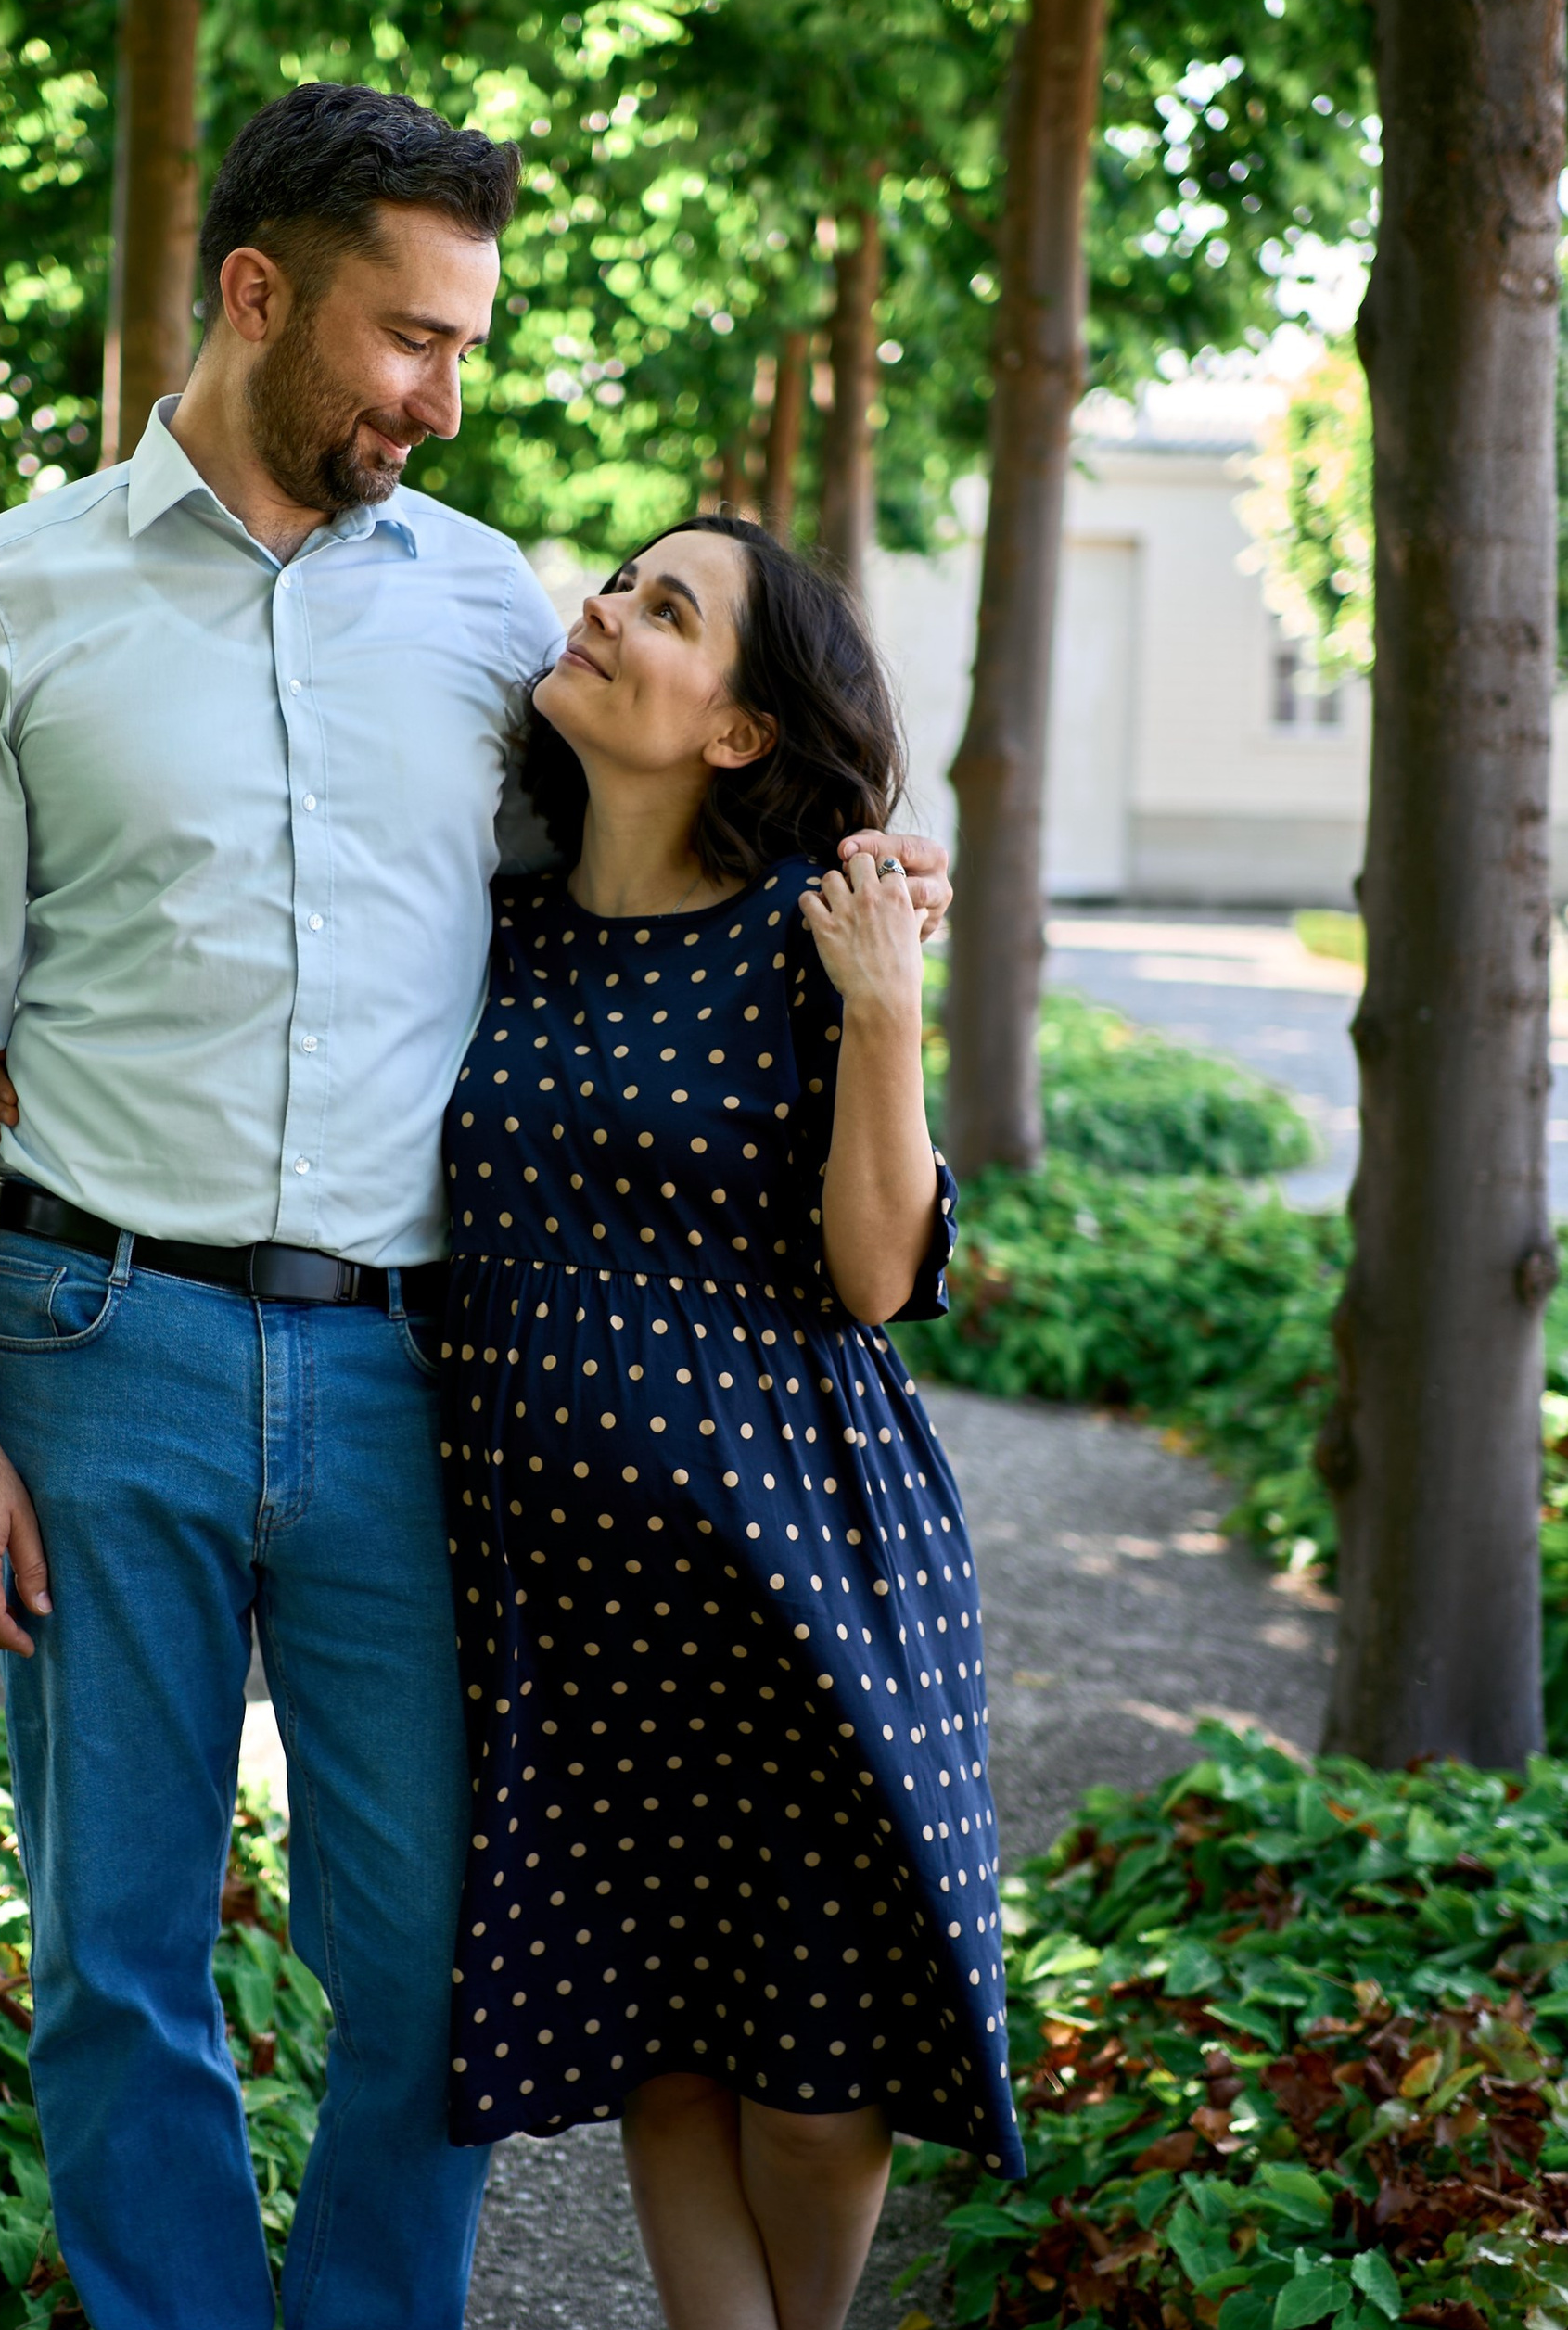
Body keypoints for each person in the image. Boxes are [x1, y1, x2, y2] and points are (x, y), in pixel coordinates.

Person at [0, 83, 950, 2330]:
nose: (443, 399)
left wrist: (869, 899)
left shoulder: (486, 607)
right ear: (256, 294)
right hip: (92, 1337)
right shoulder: (10, 595)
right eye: (407, 341)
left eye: (466, 345)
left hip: (411, 1378)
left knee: (439, 1956)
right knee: (117, 1950)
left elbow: (658, 861)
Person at [439, 518, 1023, 2330]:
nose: (604, 608)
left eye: (664, 607)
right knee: (661, 2041)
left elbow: (870, 1271)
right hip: (576, 1621)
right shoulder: (492, 933)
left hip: (800, 1587)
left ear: (739, 731)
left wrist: (887, 1007)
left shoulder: (807, 930)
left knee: (813, 2058)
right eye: (618, 578)